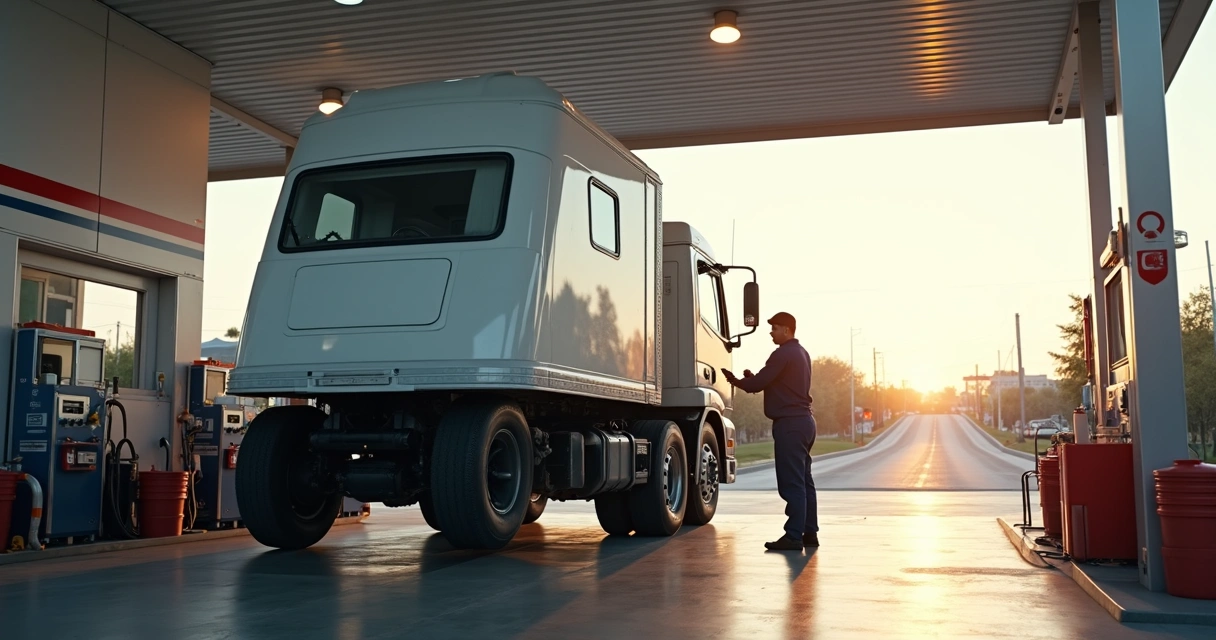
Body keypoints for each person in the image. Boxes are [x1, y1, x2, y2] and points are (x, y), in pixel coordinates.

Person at [722, 311, 818, 551]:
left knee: (792, 483)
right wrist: (753, 379)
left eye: (774, 328)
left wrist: (734, 380)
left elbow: (757, 384)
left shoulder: (782, 353)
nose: (771, 332)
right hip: (805, 422)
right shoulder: (801, 353)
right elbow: (774, 382)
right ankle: (809, 534)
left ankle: (793, 536)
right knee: (805, 482)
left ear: (787, 329)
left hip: (790, 425)